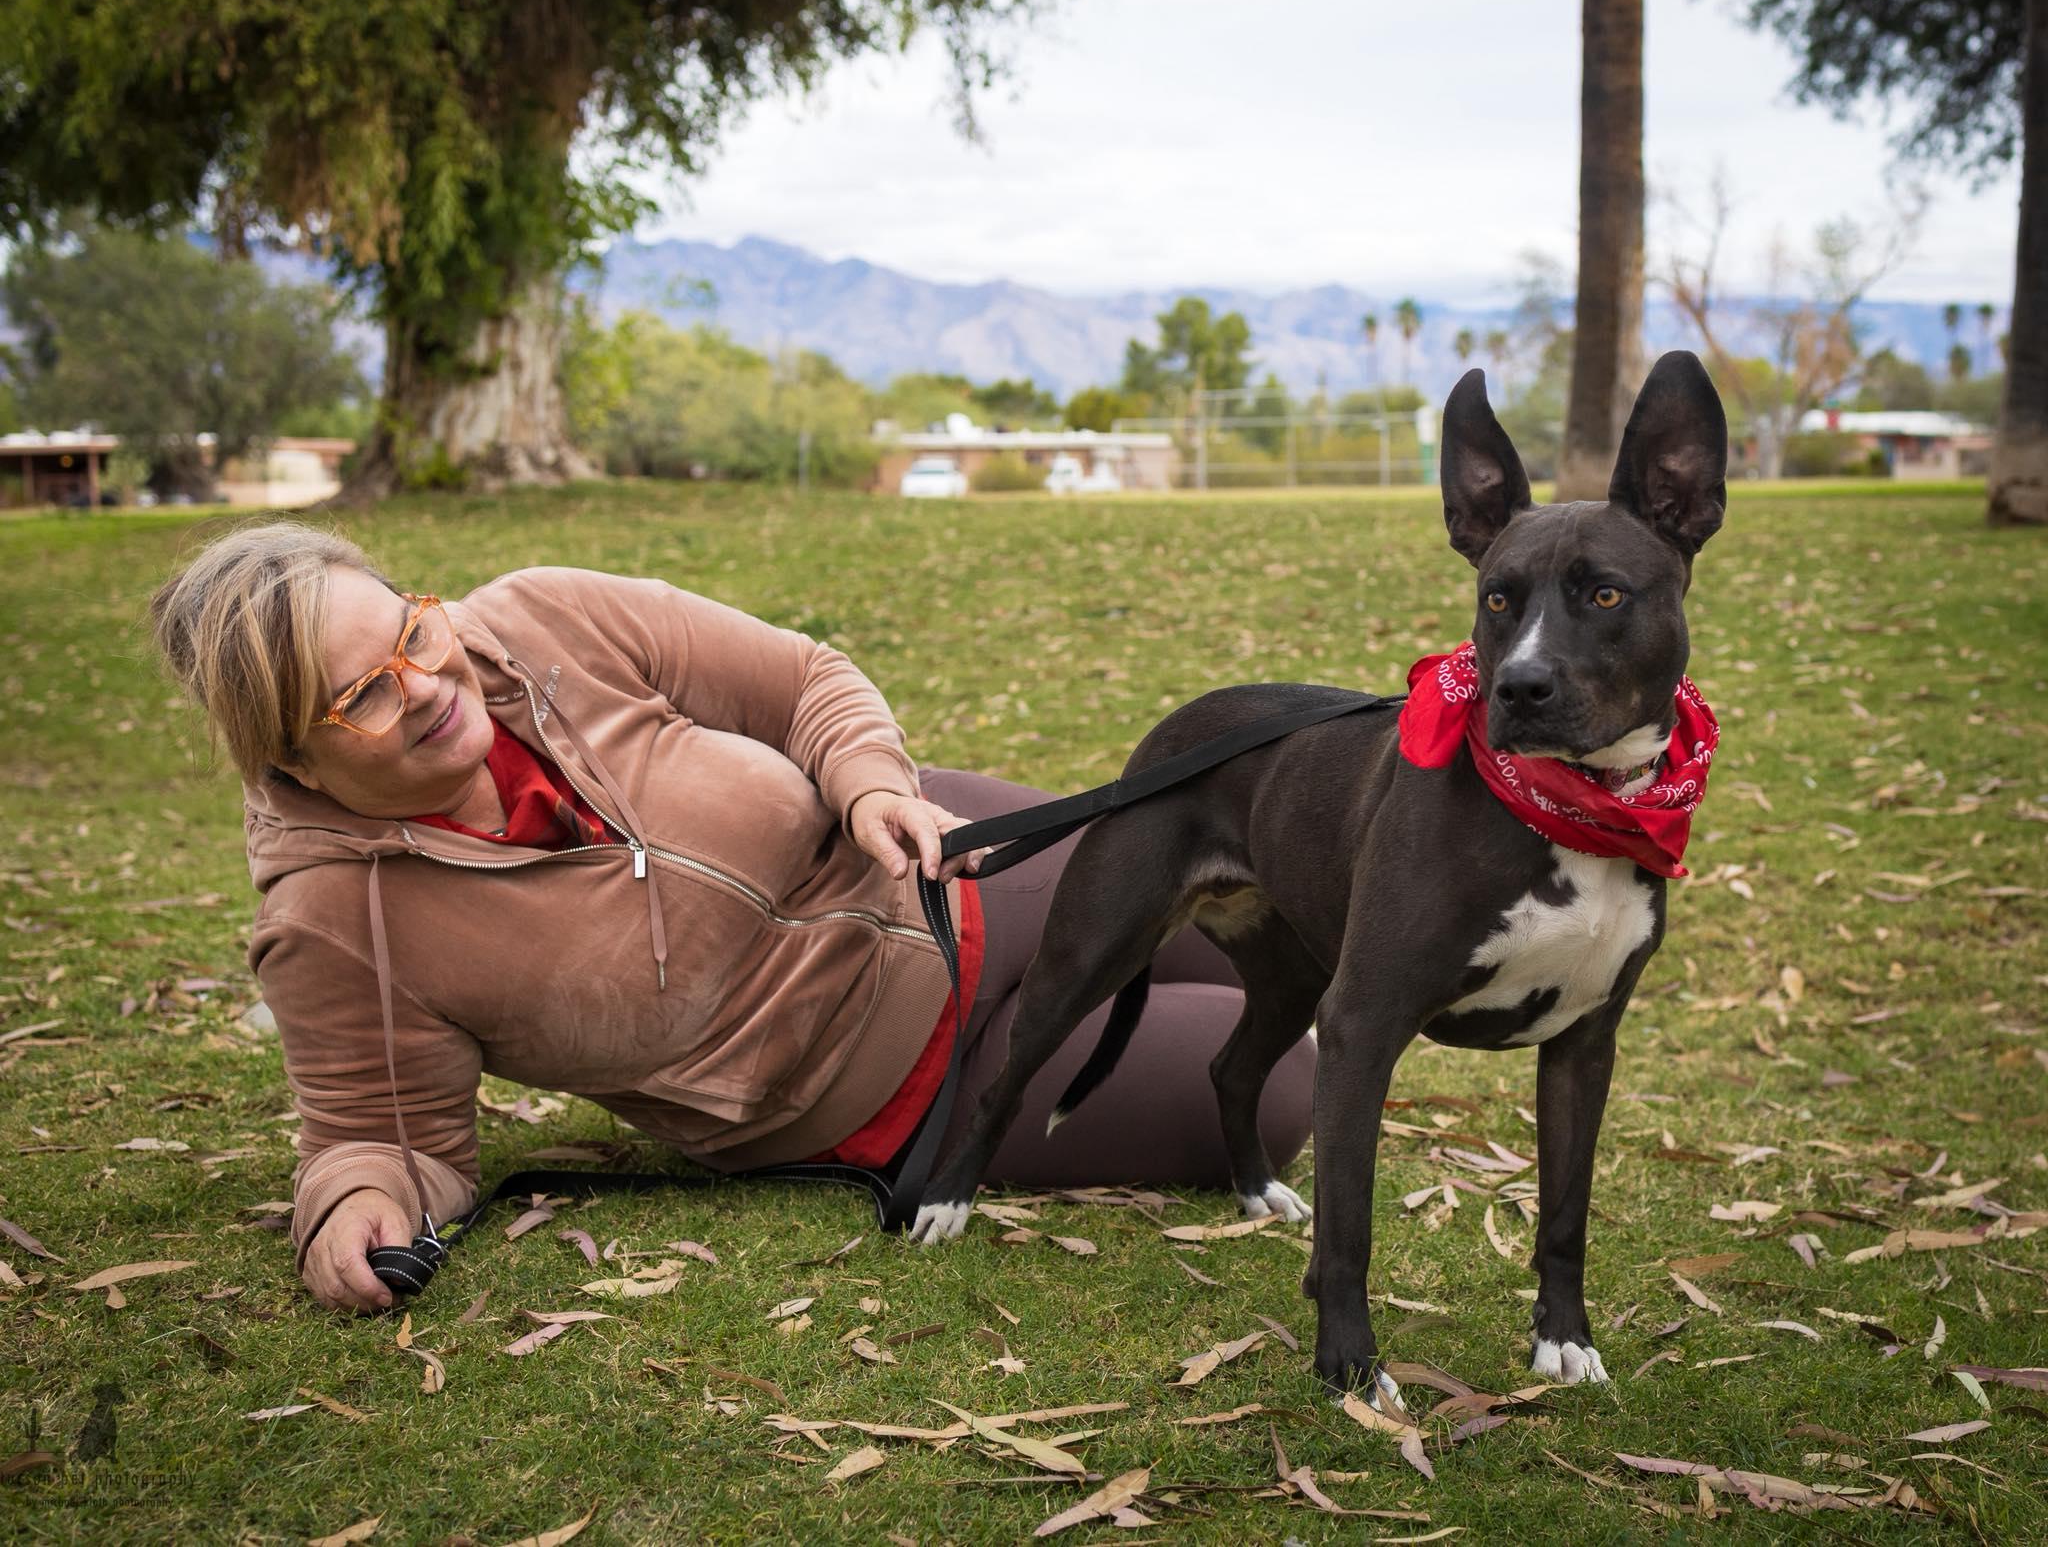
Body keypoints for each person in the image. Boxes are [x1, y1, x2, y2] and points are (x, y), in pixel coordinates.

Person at [148, 522, 1315, 1313]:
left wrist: (868, 782)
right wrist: (358, 1204)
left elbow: (803, 679)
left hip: (943, 869)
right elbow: (383, 1133)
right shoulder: (333, 922)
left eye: (411, 633)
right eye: (362, 695)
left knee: (1258, 930)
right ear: (289, 756)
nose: (425, 688)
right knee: (1277, 1088)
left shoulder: (549, 620)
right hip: (893, 1091)